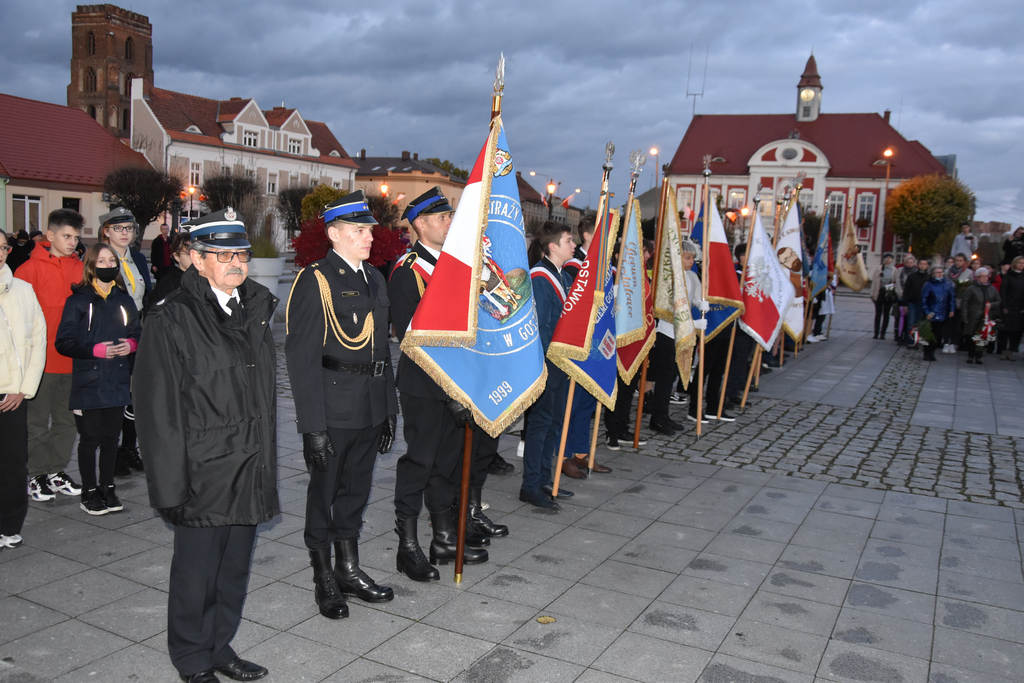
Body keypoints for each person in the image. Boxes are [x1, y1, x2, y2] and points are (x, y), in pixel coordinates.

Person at [134, 208, 277, 683]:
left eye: (241, 254)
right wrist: (170, 487)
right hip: (202, 472)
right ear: (196, 259)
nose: (236, 263)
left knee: (234, 570)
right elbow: (158, 413)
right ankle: (192, 659)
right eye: (222, 254)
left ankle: (219, 646)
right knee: (196, 576)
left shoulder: (254, 306)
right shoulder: (172, 318)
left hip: (248, 463)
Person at [285, 190, 397, 619]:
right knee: (324, 494)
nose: (368, 237)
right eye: (357, 230)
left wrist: (388, 409)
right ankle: (324, 576)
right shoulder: (315, 280)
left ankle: (349, 569)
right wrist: (312, 426)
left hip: (369, 408)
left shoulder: (374, 278)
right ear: (334, 234)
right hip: (333, 410)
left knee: (356, 492)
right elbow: (301, 359)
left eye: (368, 229)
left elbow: (382, 354)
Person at [389, 187, 488, 579]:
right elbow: (413, 338)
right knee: (420, 462)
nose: (450, 222)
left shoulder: (452, 265)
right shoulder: (409, 270)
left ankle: (444, 537)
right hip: (425, 387)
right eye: (443, 218)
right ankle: (408, 545)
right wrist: (446, 389)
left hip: (456, 386)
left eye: (449, 216)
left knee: (448, 463)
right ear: (420, 224)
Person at [55, 244, 140, 515]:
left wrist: (131, 345)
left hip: (116, 379)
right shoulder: (78, 300)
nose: (107, 264)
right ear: (91, 265)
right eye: (101, 260)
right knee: (90, 439)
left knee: (110, 438)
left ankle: (108, 487)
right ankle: (89, 492)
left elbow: (137, 332)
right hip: (88, 381)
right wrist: (94, 349)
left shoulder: (123, 299)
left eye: (110, 260)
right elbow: (63, 342)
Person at [14, 209, 84, 502]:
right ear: (50, 235)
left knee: (67, 422)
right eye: (66, 236)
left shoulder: (80, 268)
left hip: (72, 360)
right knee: (38, 423)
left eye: (76, 237)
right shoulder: (28, 270)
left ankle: (56, 470)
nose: (72, 242)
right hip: (41, 363)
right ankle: (36, 474)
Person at [522, 221, 577, 511]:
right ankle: (530, 485)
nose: (574, 246)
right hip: (545, 362)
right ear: (552, 246)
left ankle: (544, 478)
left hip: (558, 362)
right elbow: (538, 326)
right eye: (569, 240)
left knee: (553, 424)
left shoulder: (562, 276)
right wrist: (544, 363)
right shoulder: (541, 278)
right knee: (540, 425)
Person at [0, 230, 45, 550]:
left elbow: (37, 341)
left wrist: (23, 389)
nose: (0, 252)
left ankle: (10, 524)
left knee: (13, 464)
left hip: (13, 395)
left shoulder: (23, 291)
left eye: (3, 247)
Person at [100, 207, 151, 475]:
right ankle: (112, 453)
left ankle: (129, 449)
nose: (124, 233)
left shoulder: (138, 260)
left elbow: (146, 296)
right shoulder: (100, 259)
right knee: (113, 395)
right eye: (118, 228)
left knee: (134, 395)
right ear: (106, 231)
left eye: (129, 228)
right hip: (110, 333)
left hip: (136, 330)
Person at [961, 267, 1000, 365]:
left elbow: (998, 301)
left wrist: (991, 305)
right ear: (977, 277)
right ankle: (970, 355)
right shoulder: (971, 289)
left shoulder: (992, 289)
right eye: (982, 276)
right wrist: (964, 316)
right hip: (973, 316)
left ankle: (979, 356)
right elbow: (965, 302)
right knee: (971, 336)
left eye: (986, 276)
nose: (985, 278)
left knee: (982, 336)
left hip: (986, 316)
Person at [146, 232, 192, 312]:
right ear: (177, 256)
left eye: (198, 253)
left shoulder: (204, 279)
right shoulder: (169, 284)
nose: (194, 258)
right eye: (189, 254)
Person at [921, 265, 956, 360]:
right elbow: (924, 299)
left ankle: (932, 350)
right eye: (937, 272)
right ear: (933, 274)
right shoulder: (928, 284)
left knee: (938, 335)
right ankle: (927, 352)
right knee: (929, 334)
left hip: (943, 312)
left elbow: (951, 298)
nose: (940, 274)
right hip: (931, 312)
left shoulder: (948, 284)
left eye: (941, 272)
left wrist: (952, 309)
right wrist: (927, 311)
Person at [999, 256, 1024, 360]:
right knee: (1005, 330)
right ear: (1015, 264)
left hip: (1020, 307)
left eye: (1023, 263)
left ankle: (1012, 350)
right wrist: (1004, 305)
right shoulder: (1008, 276)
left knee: (1017, 331)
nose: (1022, 265)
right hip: (1008, 306)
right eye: (1020, 263)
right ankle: (1003, 351)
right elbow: (1003, 292)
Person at [903, 258, 930, 347]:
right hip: (912, 302)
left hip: (924, 304)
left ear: (927, 266)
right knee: (911, 323)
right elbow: (906, 290)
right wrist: (905, 304)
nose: (923, 266)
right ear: (918, 265)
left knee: (920, 323)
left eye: (925, 264)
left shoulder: (929, 277)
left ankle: (918, 340)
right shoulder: (912, 276)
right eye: (921, 264)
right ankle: (911, 341)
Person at [870, 253, 896, 339]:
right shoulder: (878, 269)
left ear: (892, 260)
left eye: (890, 258)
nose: (888, 259)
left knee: (886, 314)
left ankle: (883, 333)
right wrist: (872, 294)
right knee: (878, 314)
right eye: (886, 258)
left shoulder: (894, 270)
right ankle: (876, 332)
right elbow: (874, 282)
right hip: (879, 292)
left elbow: (895, 282)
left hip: (888, 292)